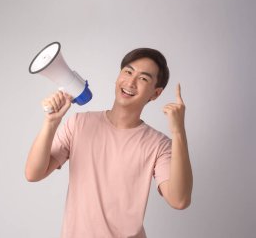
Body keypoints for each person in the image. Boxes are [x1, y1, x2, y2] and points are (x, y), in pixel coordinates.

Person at [25, 48, 193, 238]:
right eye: (128, 72)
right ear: (118, 77)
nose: (130, 82)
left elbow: (179, 200)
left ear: (155, 93)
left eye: (143, 78)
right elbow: (33, 173)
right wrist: (51, 122)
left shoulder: (159, 145)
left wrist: (178, 132)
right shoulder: (78, 124)